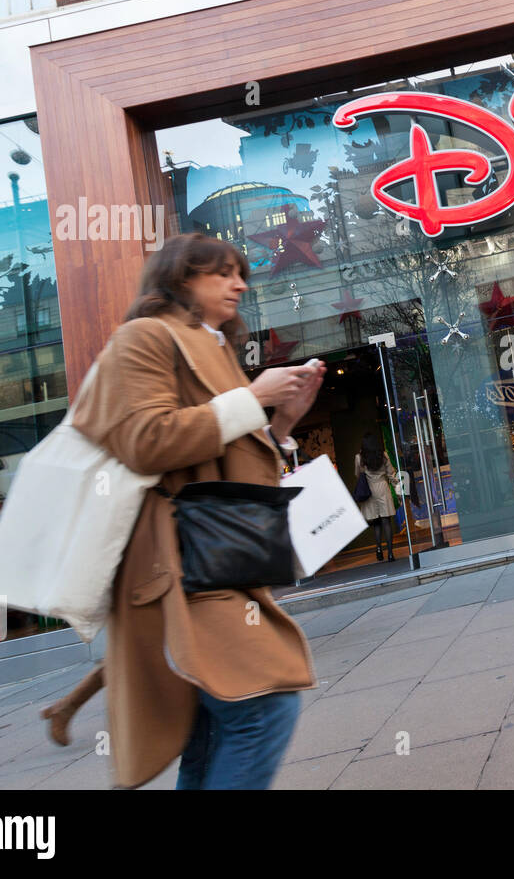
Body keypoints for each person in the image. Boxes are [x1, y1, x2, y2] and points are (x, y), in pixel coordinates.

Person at [41, 232, 324, 789]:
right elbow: (146, 441)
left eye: (240, 272)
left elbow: (234, 473)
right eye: (221, 273)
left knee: (213, 731)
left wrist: (282, 424)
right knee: (263, 708)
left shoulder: (212, 347)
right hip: (175, 566)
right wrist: (254, 399)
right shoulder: (144, 337)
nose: (239, 283)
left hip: (212, 560)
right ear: (180, 278)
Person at [356, 431, 398, 563]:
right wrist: (397, 486)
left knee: (376, 523)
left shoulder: (359, 458)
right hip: (383, 488)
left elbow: (358, 474)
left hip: (369, 490)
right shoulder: (383, 455)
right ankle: (390, 553)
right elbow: (391, 474)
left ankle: (379, 548)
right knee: (386, 521)